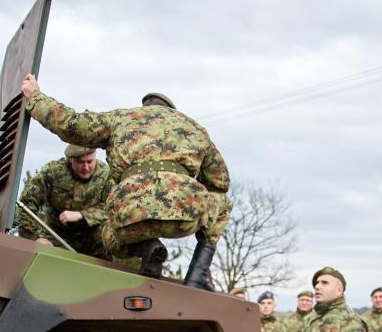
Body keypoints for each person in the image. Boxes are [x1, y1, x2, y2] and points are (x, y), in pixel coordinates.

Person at [20, 76, 230, 288]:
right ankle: (198, 273)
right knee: (222, 203)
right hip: (184, 217)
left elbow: (71, 124)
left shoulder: (123, 118)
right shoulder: (195, 128)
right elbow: (220, 182)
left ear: (144, 108)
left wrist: (36, 98)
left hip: (130, 216)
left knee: (107, 234)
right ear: (172, 112)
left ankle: (147, 247)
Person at [16, 144, 113, 256]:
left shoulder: (106, 175)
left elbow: (112, 209)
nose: (86, 167)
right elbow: (27, 202)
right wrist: (34, 238)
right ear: (71, 159)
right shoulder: (53, 172)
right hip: (55, 239)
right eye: (81, 162)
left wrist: (82, 215)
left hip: (94, 244)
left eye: (90, 162)